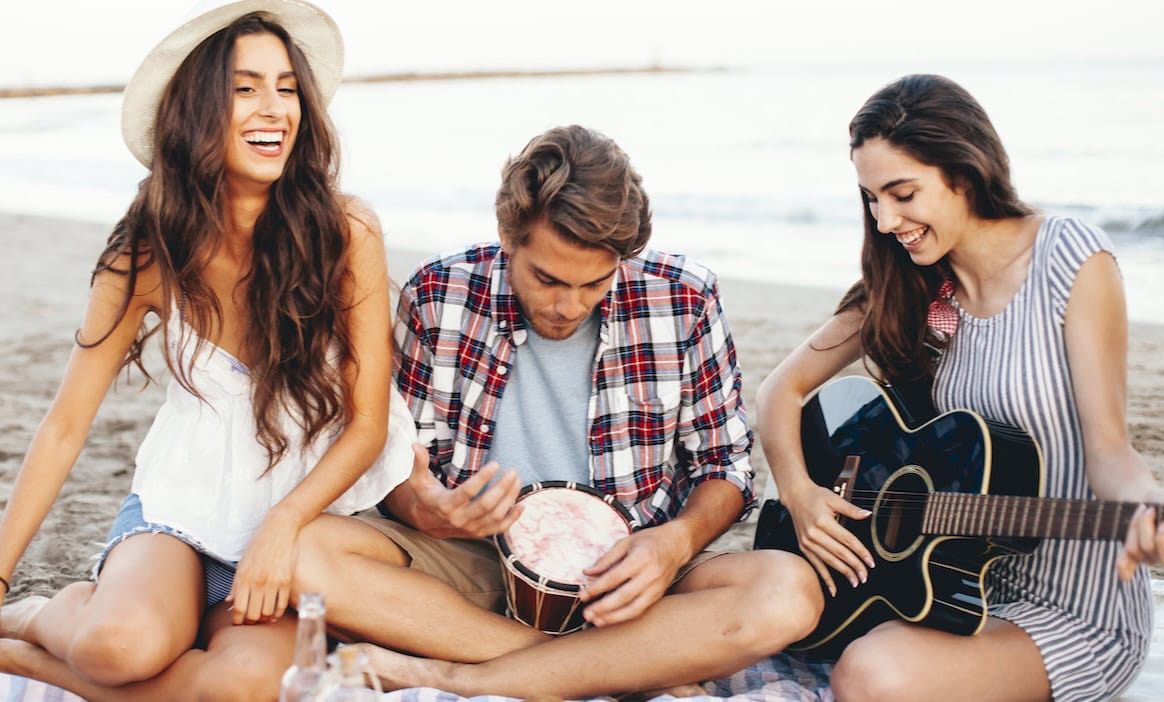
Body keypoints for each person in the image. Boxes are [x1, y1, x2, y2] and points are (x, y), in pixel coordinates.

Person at [286, 124, 825, 698]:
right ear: (507, 236)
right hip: (478, 565)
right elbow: (396, 464)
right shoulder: (438, 292)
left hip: (631, 574)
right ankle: (600, 667)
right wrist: (425, 509)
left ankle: (459, 675)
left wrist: (676, 544)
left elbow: (725, 463)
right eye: (546, 279)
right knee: (303, 554)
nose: (568, 306)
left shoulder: (685, 297)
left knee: (788, 591)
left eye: (594, 284)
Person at [0, 1, 412, 700]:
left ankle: (19, 657)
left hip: (295, 521)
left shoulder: (345, 231)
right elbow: (67, 425)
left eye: (287, 87)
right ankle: (40, 615)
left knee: (243, 688)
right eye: (245, 87)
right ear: (194, 110)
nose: (274, 108)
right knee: (116, 647)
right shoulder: (146, 252)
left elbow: (368, 425)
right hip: (178, 510)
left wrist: (284, 529)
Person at [755, 73, 1164, 702]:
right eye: (871, 198)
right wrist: (802, 495)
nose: (886, 219)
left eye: (902, 193)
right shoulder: (913, 288)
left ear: (965, 171)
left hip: (1076, 614)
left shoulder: (1070, 258)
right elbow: (779, 391)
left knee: (869, 674)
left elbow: (1111, 452)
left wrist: (1150, 505)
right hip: (943, 590)